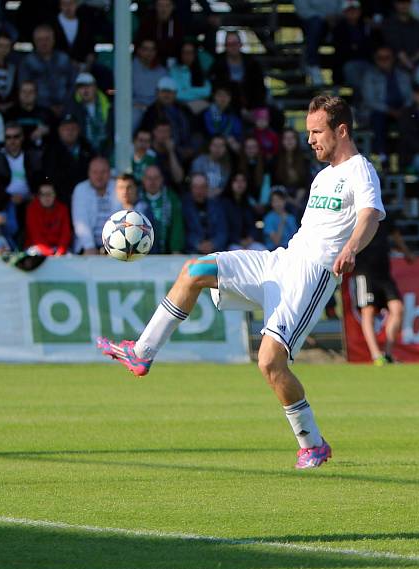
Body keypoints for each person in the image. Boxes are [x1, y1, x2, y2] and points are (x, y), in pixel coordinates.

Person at [98, 95, 385, 470]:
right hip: (281, 261)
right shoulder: (323, 176)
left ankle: (311, 443)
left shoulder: (360, 170)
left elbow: (370, 216)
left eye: (316, 132)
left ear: (341, 130)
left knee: (269, 363)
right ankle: (142, 352)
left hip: (311, 275)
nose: (310, 140)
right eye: (309, 132)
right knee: (195, 271)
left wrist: (350, 247)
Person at [354, 208, 415, 365]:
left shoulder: (384, 213)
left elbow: (395, 235)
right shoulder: (356, 213)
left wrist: (406, 253)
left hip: (384, 272)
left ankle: (388, 354)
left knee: (398, 309)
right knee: (368, 311)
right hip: (364, 270)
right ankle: (376, 355)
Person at [362, 45, 413, 158]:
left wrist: (404, 108)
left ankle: (407, 157)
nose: (384, 61)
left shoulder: (403, 75)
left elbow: (410, 97)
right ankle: (382, 156)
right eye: (381, 58)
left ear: (393, 59)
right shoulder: (370, 76)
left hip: (401, 108)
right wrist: (389, 110)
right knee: (378, 119)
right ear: (376, 59)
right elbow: (370, 100)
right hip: (380, 109)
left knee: (413, 117)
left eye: (387, 57)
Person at [17, 24, 75, 118]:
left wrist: (65, 104)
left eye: (47, 39)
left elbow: (73, 84)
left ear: (53, 40)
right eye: (40, 40)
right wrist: (48, 107)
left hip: (66, 108)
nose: (44, 43)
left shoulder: (64, 59)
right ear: (34, 41)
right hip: (39, 111)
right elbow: (25, 88)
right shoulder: (27, 62)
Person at [71, 156, 119, 254]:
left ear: (110, 173)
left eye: (103, 172)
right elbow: (80, 221)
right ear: (89, 173)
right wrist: (89, 246)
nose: (99, 176)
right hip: (87, 246)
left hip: (116, 245)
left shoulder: (118, 187)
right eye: (95, 172)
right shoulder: (81, 189)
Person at [41, 113, 93, 203]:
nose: (70, 132)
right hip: (60, 199)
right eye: (66, 129)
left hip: (86, 196)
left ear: (78, 130)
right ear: (59, 131)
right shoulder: (51, 150)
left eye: (73, 128)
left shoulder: (87, 148)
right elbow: (49, 177)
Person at [139, 164, 184, 254]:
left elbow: (177, 225)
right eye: (149, 178)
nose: (152, 182)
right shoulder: (137, 197)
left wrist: (176, 250)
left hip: (166, 253)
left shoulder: (171, 198)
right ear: (143, 180)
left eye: (156, 178)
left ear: (161, 179)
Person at [66, 72, 113, 156]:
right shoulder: (72, 107)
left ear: (95, 87)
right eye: (81, 87)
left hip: (107, 150)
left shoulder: (107, 104)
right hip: (85, 152)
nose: (85, 90)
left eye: (88, 86)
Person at [181, 173, 228, 254]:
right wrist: (198, 245)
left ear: (207, 188)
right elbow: (183, 233)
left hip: (216, 252)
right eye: (196, 187)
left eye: (202, 187)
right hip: (191, 252)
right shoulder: (183, 207)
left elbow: (223, 231)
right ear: (191, 188)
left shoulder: (217, 206)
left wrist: (213, 244)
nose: (199, 191)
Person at [24, 181, 72, 256]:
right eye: (43, 194)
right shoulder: (31, 209)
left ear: (55, 195)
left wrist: (60, 251)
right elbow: (36, 236)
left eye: (50, 194)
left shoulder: (62, 209)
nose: (47, 197)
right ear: (39, 196)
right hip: (37, 248)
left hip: (58, 248)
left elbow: (65, 233)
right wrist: (49, 253)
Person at [168, 40, 211, 115]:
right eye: (184, 52)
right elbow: (176, 94)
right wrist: (195, 93)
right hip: (178, 106)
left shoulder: (200, 71)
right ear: (180, 54)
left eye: (190, 52)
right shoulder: (173, 71)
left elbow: (207, 92)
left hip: (197, 106)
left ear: (194, 54)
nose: (187, 55)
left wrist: (186, 90)